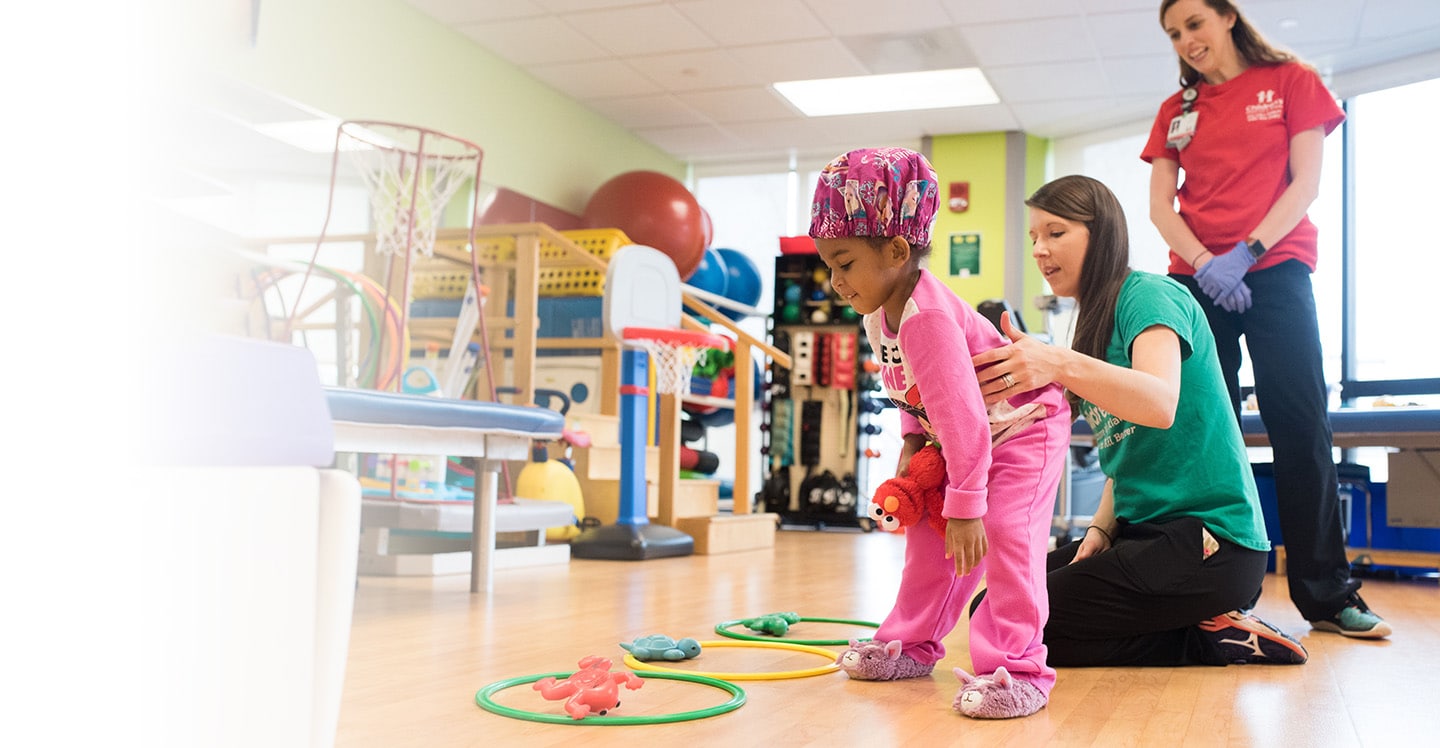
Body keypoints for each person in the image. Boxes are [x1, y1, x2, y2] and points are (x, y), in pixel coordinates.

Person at [971, 174, 1310, 667]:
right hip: (1141, 533)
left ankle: (1208, 638)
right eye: (1033, 238)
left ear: (1102, 233)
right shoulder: (1088, 330)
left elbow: (1159, 401)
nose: (1040, 250)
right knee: (993, 609)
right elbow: (1124, 455)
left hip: (1212, 542)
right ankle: (1202, 628)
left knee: (1014, 627)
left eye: (1056, 232)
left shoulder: (1148, 295)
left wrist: (1058, 363)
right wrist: (1100, 532)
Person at [1143, 0, 1388, 638]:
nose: (1186, 40)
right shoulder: (1177, 111)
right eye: (1174, 33)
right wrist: (1205, 264)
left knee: (1301, 423)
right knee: (1200, 432)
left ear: (1227, 17)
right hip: (1197, 279)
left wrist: (1245, 254)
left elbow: (1305, 182)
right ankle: (1207, 592)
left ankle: (1329, 595)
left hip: (1275, 269)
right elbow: (1160, 208)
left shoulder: (1291, 82)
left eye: (1194, 23)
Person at [809, 147, 1070, 718]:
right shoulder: (881, 309)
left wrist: (968, 503)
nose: (834, 282)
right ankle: (911, 643)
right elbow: (912, 386)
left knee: (1003, 532)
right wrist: (909, 441)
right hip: (963, 435)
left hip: (1025, 427)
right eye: (828, 264)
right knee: (931, 536)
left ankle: (1019, 670)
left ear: (897, 251)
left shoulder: (926, 317)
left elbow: (964, 418)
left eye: (844, 263)